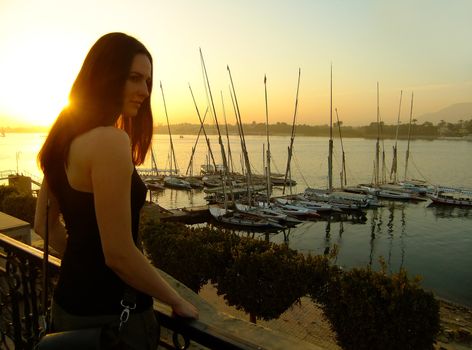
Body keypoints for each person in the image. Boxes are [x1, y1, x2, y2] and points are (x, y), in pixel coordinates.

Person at [34, 32, 198, 349]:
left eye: (148, 81)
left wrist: (83, 265)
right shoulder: (110, 140)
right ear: (105, 75)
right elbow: (119, 253)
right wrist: (176, 300)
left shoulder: (62, 140)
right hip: (112, 320)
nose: (144, 91)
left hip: (69, 308)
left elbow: (43, 224)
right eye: (134, 78)